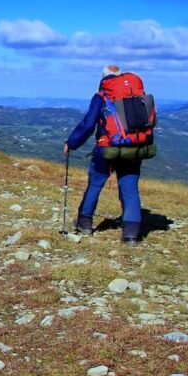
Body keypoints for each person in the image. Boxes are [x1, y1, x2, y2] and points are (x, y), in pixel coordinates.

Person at [65, 65, 144, 246]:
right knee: (130, 188)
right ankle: (131, 235)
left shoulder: (102, 96)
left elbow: (88, 124)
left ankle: (84, 224)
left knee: (95, 184)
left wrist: (71, 143)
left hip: (107, 149)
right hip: (134, 148)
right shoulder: (136, 94)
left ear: (103, 78)